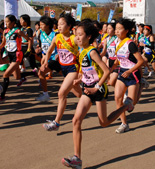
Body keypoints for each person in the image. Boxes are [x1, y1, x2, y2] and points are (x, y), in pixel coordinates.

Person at [61, 21, 132, 168]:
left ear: (89, 36)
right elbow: (86, 70)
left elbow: (106, 71)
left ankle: (125, 106)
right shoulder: (81, 51)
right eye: (76, 35)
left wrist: (97, 87)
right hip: (88, 89)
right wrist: (79, 79)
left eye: (80, 35)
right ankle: (77, 159)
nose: (77, 38)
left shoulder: (92, 51)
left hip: (98, 89)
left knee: (104, 122)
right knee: (76, 121)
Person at [42, 13, 82, 131]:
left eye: (62, 24)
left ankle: (56, 123)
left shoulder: (74, 39)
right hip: (63, 68)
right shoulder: (57, 37)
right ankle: (89, 97)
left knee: (61, 93)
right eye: (58, 24)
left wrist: (81, 71)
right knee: (79, 94)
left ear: (69, 26)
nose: (59, 27)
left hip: (73, 68)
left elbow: (84, 52)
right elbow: (49, 51)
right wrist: (45, 62)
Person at [110, 18, 144, 134]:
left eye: (120, 29)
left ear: (127, 30)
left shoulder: (131, 44)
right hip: (122, 72)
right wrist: (110, 69)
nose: (117, 31)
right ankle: (124, 124)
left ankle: (141, 85)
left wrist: (130, 71)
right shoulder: (116, 42)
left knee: (131, 103)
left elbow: (140, 61)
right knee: (118, 99)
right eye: (116, 29)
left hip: (133, 74)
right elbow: (117, 60)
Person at [0, 15, 29, 102]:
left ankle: (2, 95)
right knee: (17, 77)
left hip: (17, 55)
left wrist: (28, 48)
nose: (6, 23)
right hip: (9, 55)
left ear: (13, 23)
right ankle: (33, 72)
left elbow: (28, 39)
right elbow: (3, 43)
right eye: (5, 21)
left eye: (8, 22)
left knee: (5, 74)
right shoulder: (5, 31)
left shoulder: (18, 31)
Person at [36, 16, 61, 102]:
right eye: (40, 25)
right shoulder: (41, 34)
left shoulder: (56, 35)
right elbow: (44, 47)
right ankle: (45, 94)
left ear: (47, 25)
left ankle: (45, 94)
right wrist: (41, 52)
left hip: (56, 59)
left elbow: (61, 46)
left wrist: (58, 53)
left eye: (42, 25)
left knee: (41, 73)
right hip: (48, 59)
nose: (40, 26)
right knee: (41, 73)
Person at [17, 15, 39, 86]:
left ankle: (41, 77)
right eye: (20, 20)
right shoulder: (21, 29)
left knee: (33, 64)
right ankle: (22, 77)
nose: (20, 21)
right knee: (19, 62)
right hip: (21, 48)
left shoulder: (29, 29)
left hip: (27, 48)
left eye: (22, 20)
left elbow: (30, 40)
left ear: (26, 21)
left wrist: (29, 49)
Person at [100, 21, 118, 87]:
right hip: (110, 61)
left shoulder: (117, 39)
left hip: (117, 62)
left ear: (114, 30)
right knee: (112, 82)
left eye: (110, 28)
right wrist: (98, 57)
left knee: (112, 81)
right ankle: (122, 91)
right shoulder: (106, 40)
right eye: (107, 28)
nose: (108, 30)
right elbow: (104, 51)